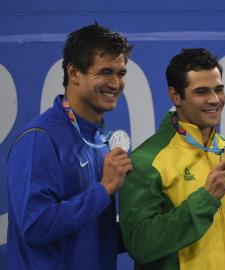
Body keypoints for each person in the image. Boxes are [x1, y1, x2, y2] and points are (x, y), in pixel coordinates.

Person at [119, 48, 225, 270]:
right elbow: (141, 244)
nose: (214, 100)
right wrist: (206, 198)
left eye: (219, 89)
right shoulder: (147, 161)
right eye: (201, 92)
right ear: (175, 96)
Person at [7, 23, 133, 270]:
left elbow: (92, 234)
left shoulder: (100, 140)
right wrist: (104, 189)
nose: (116, 83)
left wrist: (153, 224)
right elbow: (36, 226)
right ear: (74, 73)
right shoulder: (39, 139)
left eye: (121, 73)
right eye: (106, 72)